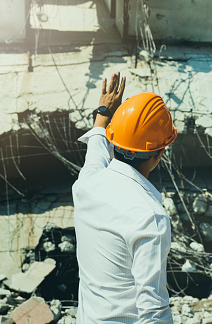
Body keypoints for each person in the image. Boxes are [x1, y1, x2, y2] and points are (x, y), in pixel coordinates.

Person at [72, 72, 177, 323]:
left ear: (114, 139)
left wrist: (104, 113)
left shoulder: (87, 182)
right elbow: (153, 312)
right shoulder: (150, 217)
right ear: (158, 154)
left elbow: (96, 145)